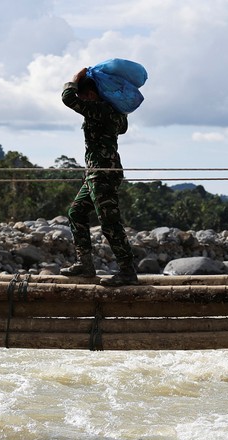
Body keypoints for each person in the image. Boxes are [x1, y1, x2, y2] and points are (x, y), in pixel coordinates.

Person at [59, 67, 138, 287]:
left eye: (84, 95)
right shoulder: (114, 113)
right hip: (95, 174)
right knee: (76, 212)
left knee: (109, 222)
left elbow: (67, 99)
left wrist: (74, 80)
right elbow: (122, 127)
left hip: (102, 173)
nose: (81, 99)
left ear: (91, 95)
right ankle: (85, 264)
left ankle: (127, 271)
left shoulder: (99, 109)